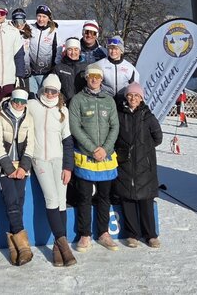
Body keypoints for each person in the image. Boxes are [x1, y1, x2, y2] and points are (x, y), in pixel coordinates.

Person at [69, 63, 119, 252]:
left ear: (102, 79)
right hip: (86, 156)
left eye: (98, 77)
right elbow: (75, 127)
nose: (95, 79)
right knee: (84, 197)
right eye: (91, 76)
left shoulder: (109, 100)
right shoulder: (77, 100)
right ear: (87, 78)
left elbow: (115, 126)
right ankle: (85, 234)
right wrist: (92, 149)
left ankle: (104, 233)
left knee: (104, 197)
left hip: (106, 157)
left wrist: (105, 149)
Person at [28, 74, 76, 267]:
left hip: (58, 160)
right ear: (42, 89)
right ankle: (64, 245)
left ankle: (57, 247)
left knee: (62, 201)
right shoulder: (33, 105)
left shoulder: (62, 110)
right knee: (51, 198)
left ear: (58, 92)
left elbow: (68, 141)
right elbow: (13, 104)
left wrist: (68, 167)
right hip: (39, 159)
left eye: (53, 91)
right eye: (47, 90)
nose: (49, 94)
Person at [113, 82, 163, 248]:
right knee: (127, 199)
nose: (133, 98)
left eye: (136, 95)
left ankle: (151, 235)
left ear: (141, 98)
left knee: (146, 200)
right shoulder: (119, 114)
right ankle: (132, 234)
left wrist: (144, 150)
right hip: (124, 163)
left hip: (144, 165)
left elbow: (158, 137)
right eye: (130, 95)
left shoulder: (148, 116)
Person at [0, 88, 34, 266]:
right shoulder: (0, 116)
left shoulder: (29, 118)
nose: (19, 104)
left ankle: (14, 247)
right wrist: (9, 168)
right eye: (16, 101)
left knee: (19, 202)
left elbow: (31, 144)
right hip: (5, 165)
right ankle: (24, 247)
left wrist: (23, 167)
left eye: (22, 102)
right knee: (11, 200)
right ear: (11, 100)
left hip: (21, 165)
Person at [29, 5, 58, 96]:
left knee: (44, 97)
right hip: (31, 73)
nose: (41, 19)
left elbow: (55, 52)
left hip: (46, 73)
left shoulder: (53, 32)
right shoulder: (30, 29)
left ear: (49, 18)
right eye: (39, 16)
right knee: (32, 97)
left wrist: (53, 69)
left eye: (44, 16)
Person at [52, 37, 87, 103]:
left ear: (79, 51)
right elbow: (53, 87)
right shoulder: (59, 68)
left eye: (76, 49)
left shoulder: (86, 67)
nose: (73, 53)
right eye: (70, 49)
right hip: (64, 103)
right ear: (65, 51)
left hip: (82, 104)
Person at [11, 8, 32, 93]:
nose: (19, 25)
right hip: (13, 74)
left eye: (21, 22)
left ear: (25, 22)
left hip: (26, 73)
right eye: (16, 22)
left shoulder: (28, 35)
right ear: (13, 22)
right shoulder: (9, 34)